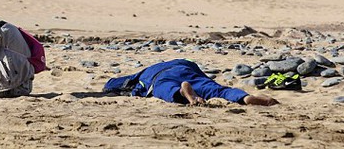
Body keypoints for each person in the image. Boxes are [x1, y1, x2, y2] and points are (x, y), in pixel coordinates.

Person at [104, 59, 279, 106]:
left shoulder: (143, 74)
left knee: (167, 90)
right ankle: (245, 98)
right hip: (188, 68)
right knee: (217, 90)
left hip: (161, 78)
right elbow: (202, 74)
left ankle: (184, 94)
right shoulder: (176, 61)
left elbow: (112, 84)